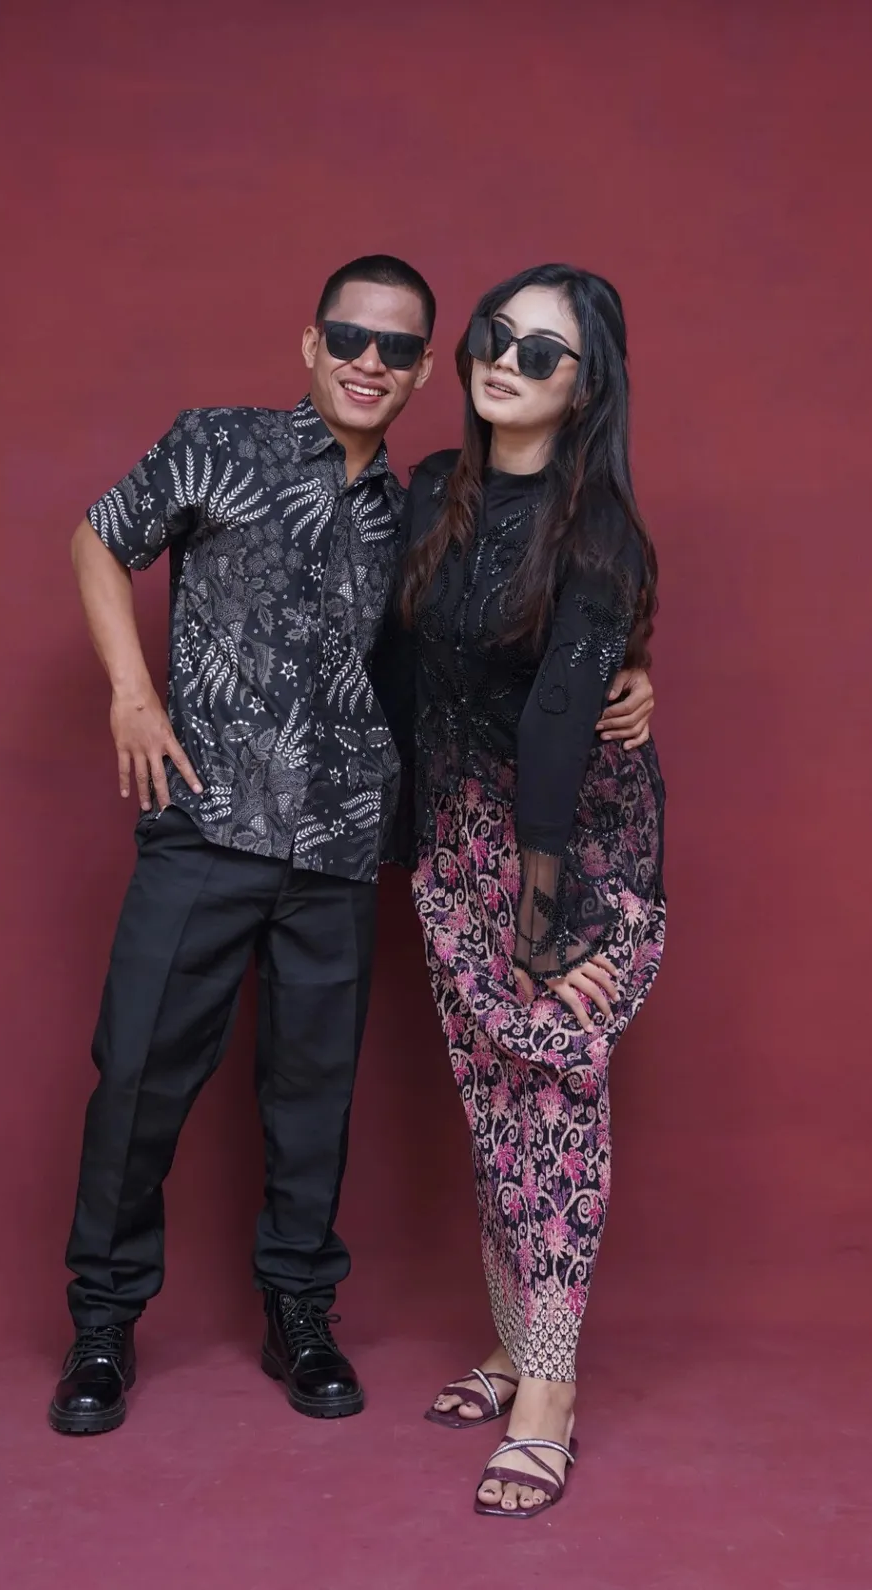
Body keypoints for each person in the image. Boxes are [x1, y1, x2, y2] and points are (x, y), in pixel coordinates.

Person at [49, 254, 656, 1437]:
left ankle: (300, 1312)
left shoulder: (427, 504)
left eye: (398, 348)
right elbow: (96, 537)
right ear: (311, 344)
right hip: (205, 825)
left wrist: (629, 672)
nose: (369, 362)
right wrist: (130, 690)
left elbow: (530, 615)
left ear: (427, 371)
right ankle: (104, 1324)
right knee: (136, 1078)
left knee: (312, 1095)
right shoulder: (219, 444)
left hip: (342, 848)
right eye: (348, 338)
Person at [391, 264, 666, 1516]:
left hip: (571, 860)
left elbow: (560, 731)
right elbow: (408, 669)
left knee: (551, 1107)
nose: (506, 361)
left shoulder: (600, 537)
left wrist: (544, 931)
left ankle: (549, 1395)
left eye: (542, 352)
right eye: (496, 336)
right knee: (491, 1103)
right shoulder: (431, 496)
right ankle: (515, 1344)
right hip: (456, 843)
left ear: (587, 385)